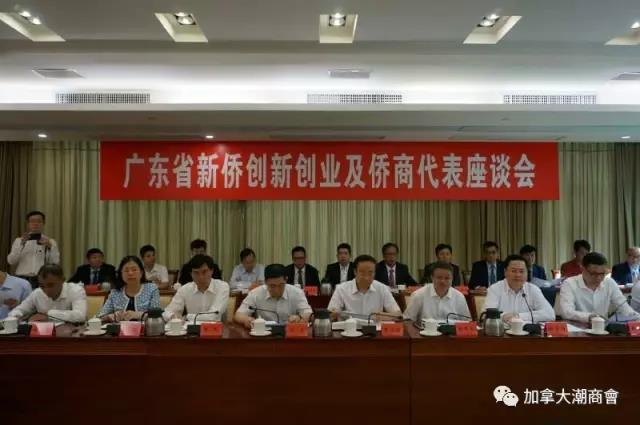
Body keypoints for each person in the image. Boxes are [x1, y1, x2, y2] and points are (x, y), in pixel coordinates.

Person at [559, 252, 640, 323]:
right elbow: (566, 312)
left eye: (602, 274)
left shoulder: (609, 283)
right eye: (594, 274)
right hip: (577, 329)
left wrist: (636, 317)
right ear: (582, 269)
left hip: (602, 330)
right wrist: (590, 317)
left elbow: (623, 307)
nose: (599, 278)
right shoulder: (569, 284)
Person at [234, 263, 312, 329]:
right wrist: (246, 319)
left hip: (289, 335)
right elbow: (238, 315)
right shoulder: (256, 293)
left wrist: (299, 318)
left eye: (281, 285)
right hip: (263, 335)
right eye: (272, 286)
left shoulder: (296, 292)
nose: (277, 290)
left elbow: (308, 313)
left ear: (286, 280)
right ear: (265, 282)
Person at [482, 255, 555, 323]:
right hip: (501, 331)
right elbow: (486, 314)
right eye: (513, 271)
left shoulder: (533, 289)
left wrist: (518, 316)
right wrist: (504, 316)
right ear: (505, 272)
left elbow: (550, 314)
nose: (518, 275)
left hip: (527, 331)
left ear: (527, 273)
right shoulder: (494, 289)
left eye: (521, 271)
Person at [329, 254, 402, 321]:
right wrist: (337, 314)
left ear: (375, 273)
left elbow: (398, 314)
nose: (366, 277)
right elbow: (330, 314)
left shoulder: (382, 288)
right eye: (362, 272)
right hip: (349, 329)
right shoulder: (341, 289)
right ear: (355, 272)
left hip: (374, 329)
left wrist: (380, 316)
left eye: (370, 273)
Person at [9, 264, 87, 323]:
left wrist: (48, 314)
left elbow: (80, 316)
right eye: (42, 286)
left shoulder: (76, 290)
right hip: (43, 336)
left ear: (62, 280)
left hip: (70, 336)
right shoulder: (37, 293)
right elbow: (19, 310)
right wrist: (14, 318)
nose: (46, 290)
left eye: (50, 285)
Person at [164, 254, 229, 322]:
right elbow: (167, 312)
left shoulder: (222, 286)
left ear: (212, 271)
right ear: (191, 274)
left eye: (204, 272)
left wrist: (187, 317)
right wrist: (172, 316)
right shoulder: (185, 289)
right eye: (196, 273)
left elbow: (213, 316)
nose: (200, 277)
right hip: (192, 328)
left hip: (214, 327)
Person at [97, 256, 160, 322]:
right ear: (121, 274)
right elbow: (100, 316)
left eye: (134, 270)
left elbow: (156, 316)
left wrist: (139, 315)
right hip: (120, 328)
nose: (130, 273)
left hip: (146, 328)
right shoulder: (115, 292)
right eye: (126, 270)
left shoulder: (152, 289)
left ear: (141, 273)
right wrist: (109, 317)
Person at [7, 211, 60, 288]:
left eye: (39, 221)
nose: (35, 224)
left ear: (43, 223)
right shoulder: (19, 240)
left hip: (41, 280)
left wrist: (49, 247)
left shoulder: (50, 242)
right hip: (21, 279)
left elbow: (55, 263)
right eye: (32, 221)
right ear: (28, 224)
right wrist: (22, 244)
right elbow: (11, 261)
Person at [404, 262, 470, 322]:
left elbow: (467, 321)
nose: (442, 281)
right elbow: (408, 320)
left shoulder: (459, 297)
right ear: (432, 278)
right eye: (439, 277)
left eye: (447, 278)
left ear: (452, 279)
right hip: (425, 331)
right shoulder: (419, 295)